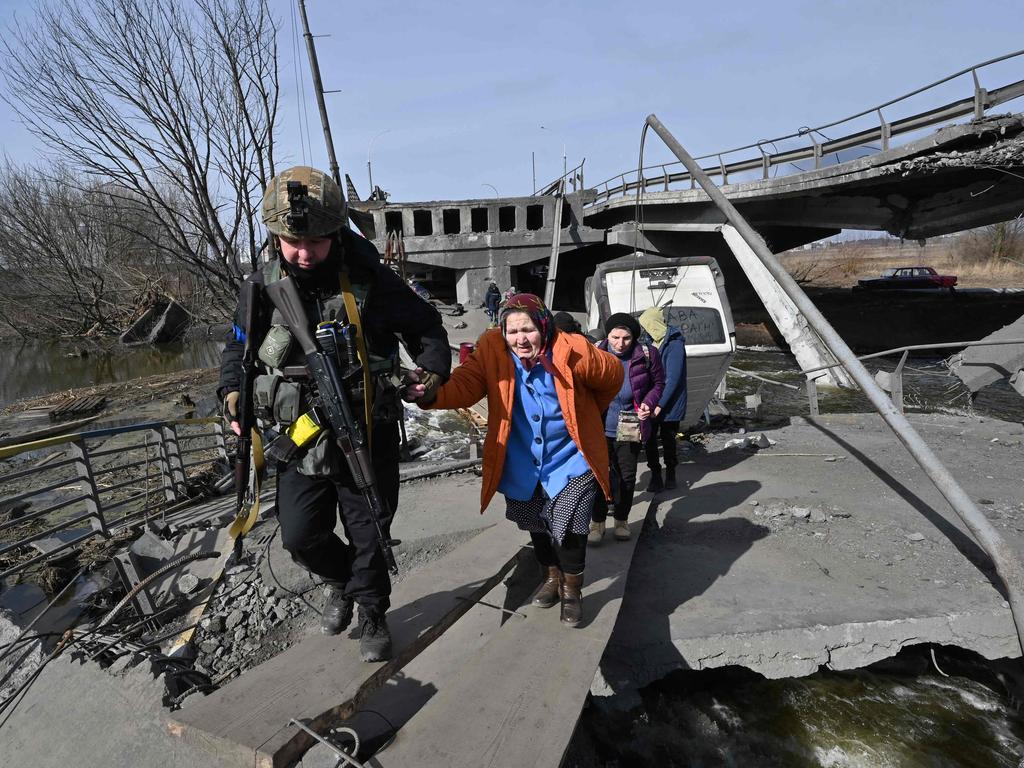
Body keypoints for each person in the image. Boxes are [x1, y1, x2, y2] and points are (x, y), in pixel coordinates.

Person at [219, 166, 451, 661]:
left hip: (367, 426)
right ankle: (339, 580)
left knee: (370, 526)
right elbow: (237, 349)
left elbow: (428, 329)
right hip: (297, 433)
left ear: (336, 233)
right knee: (300, 535)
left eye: (317, 242)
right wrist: (232, 397)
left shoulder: (370, 279)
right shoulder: (260, 285)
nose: (303, 253)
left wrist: (429, 375)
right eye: (291, 241)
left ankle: (371, 610)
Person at [403, 293, 622, 627]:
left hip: (570, 459)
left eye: (529, 330)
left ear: (544, 326)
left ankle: (572, 592)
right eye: (513, 331)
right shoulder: (491, 349)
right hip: (521, 460)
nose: (521, 339)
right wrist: (430, 393)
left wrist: (589, 407)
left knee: (570, 530)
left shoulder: (570, 347)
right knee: (537, 525)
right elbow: (465, 385)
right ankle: (551, 578)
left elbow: (612, 377)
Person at [590, 313, 665, 544]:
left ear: (634, 337)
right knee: (597, 476)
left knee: (627, 476)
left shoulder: (647, 354)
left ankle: (621, 520)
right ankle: (598, 523)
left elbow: (659, 383)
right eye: (615, 337)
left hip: (630, 425)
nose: (620, 343)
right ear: (608, 334)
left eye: (626, 338)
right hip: (598, 427)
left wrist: (649, 403)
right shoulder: (595, 353)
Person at [638, 306, 687, 492]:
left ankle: (671, 474)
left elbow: (673, 378)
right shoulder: (649, 342)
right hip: (653, 398)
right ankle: (656, 475)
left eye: (647, 325)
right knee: (649, 439)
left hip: (670, 402)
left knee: (668, 439)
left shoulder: (674, 344)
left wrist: (660, 404)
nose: (645, 329)